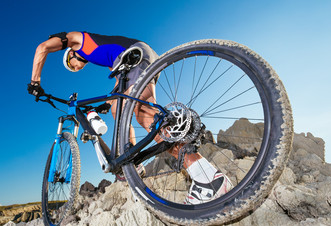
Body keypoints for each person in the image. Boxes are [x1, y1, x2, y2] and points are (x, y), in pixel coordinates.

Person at [28, 31, 232, 204]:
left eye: (70, 65)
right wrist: (107, 103)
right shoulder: (104, 57)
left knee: (145, 116)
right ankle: (132, 167)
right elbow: (120, 84)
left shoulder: (76, 40)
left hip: (134, 55)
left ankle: (207, 178)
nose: (74, 68)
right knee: (120, 110)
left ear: (71, 54)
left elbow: (42, 48)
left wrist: (35, 82)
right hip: (136, 58)